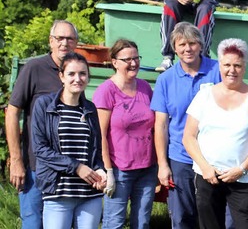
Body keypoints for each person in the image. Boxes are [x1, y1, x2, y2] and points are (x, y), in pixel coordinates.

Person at [183, 38, 248, 229]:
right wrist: (205, 167)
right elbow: (189, 137)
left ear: (245, 66)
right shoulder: (204, 95)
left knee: (246, 225)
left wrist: (241, 168)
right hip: (208, 175)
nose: (232, 70)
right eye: (227, 65)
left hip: (243, 177)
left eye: (237, 65)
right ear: (220, 65)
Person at [6, 20, 78, 229]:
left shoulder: (75, 72)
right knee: (33, 222)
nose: (64, 43)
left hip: (67, 168)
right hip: (36, 166)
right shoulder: (34, 68)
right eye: (59, 38)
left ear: (76, 43)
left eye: (69, 39)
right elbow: (12, 112)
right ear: (50, 41)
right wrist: (17, 160)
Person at [151, 22, 222, 229]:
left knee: (212, 215)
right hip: (180, 158)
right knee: (182, 217)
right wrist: (163, 165)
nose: (187, 49)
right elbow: (161, 125)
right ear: (174, 48)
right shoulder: (165, 79)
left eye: (192, 43)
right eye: (181, 44)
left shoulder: (218, 71)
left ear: (200, 45)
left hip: (213, 156)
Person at [31, 52, 107, 229]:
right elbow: (40, 149)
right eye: (71, 74)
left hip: (89, 194)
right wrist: (77, 167)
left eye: (82, 74)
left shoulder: (90, 108)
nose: (77, 79)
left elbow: (95, 148)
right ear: (61, 76)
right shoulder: (44, 105)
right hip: (58, 193)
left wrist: (100, 170)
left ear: (88, 77)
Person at [93, 39, 157, 229]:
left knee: (142, 222)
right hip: (119, 169)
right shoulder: (106, 91)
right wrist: (108, 171)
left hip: (147, 168)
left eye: (136, 58)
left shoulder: (145, 88)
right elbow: (100, 135)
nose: (134, 63)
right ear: (114, 62)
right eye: (127, 59)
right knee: (115, 222)